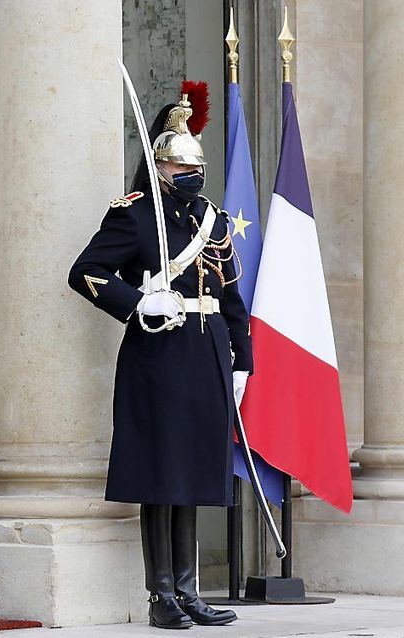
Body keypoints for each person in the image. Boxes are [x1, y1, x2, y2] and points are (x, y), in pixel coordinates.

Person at [68, 87, 249, 629]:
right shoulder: (134, 215)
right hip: (160, 349)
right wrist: (137, 301)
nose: (189, 172)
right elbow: (86, 273)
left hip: (207, 348)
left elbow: (233, 296)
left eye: (195, 164)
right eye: (178, 163)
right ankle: (161, 597)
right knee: (161, 474)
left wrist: (243, 360)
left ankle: (190, 592)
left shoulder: (213, 220)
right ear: (159, 165)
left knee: (192, 471)